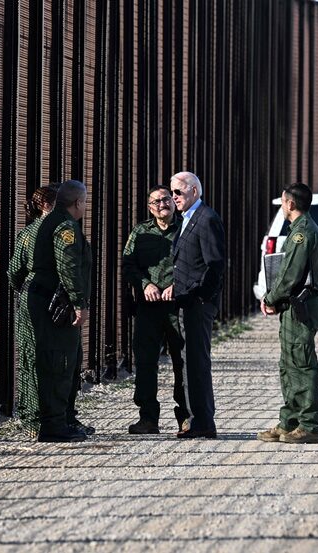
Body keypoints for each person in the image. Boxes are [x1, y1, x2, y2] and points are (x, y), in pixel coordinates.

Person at [257, 183, 318, 444]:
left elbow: (290, 275)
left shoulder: (302, 233)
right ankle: (290, 421)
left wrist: (271, 297)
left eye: (283, 202)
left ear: (291, 204)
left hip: (301, 304)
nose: (283, 207)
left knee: (302, 363)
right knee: (289, 365)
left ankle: (309, 425)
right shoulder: (299, 230)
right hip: (294, 305)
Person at [29, 179, 93, 442]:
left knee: (58, 360)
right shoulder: (65, 227)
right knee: (59, 362)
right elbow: (68, 267)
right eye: (85, 201)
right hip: (56, 305)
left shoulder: (51, 221)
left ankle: (59, 421)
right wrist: (79, 302)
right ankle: (54, 426)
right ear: (78, 202)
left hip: (45, 300)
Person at [123, 186, 188, 434]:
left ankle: (186, 417)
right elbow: (128, 265)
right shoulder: (140, 232)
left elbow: (195, 263)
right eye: (156, 201)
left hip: (177, 306)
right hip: (148, 307)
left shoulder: (185, 229)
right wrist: (145, 284)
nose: (162, 204)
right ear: (150, 208)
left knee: (181, 363)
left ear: (173, 202)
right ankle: (148, 418)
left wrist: (177, 285)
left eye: (166, 199)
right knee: (146, 362)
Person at [170, 171, 225, 439]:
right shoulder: (188, 219)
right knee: (189, 361)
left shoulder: (206, 219)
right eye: (172, 193)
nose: (173, 197)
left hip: (197, 302)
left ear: (193, 191)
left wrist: (202, 296)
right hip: (186, 300)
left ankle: (202, 420)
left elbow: (215, 264)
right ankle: (199, 418)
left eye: (178, 192)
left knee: (196, 361)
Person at [8, 184, 59, 436]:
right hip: (56, 301)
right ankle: (51, 417)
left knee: (30, 356)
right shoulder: (62, 230)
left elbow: (14, 272)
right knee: (53, 359)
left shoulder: (28, 233)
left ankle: (31, 417)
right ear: (45, 205)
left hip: (33, 297)